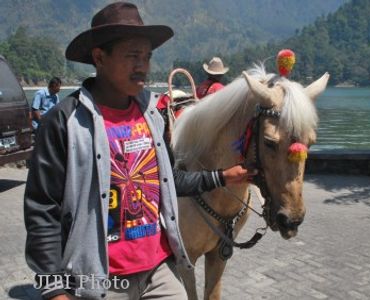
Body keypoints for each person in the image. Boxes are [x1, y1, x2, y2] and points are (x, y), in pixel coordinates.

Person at [24, 2, 254, 300]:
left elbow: (169, 182)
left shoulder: (152, 117)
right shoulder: (64, 122)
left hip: (158, 270)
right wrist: (54, 290)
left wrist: (222, 176)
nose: (142, 65)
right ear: (99, 57)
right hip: (100, 279)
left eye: (146, 56)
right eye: (132, 55)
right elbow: (42, 211)